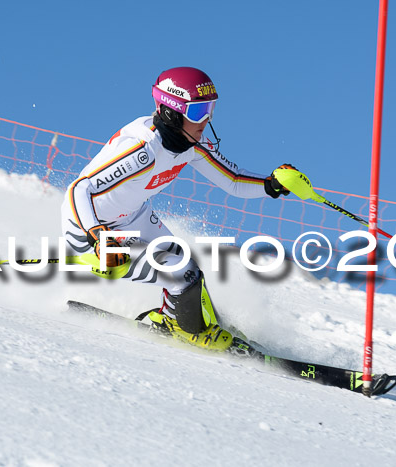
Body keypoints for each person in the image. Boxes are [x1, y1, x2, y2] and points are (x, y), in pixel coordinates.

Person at [61, 67, 295, 351]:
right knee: (182, 274)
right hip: (89, 227)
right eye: (198, 112)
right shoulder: (142, 149)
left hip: (131, 216)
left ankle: (197, 322)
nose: (206, 120)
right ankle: (189, 331)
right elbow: (79, 189)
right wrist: (97, 235)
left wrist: (270, 184)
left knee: (187, 264)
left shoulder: (191, 144)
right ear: (172, 112)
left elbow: (233, 181)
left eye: (210, 109)